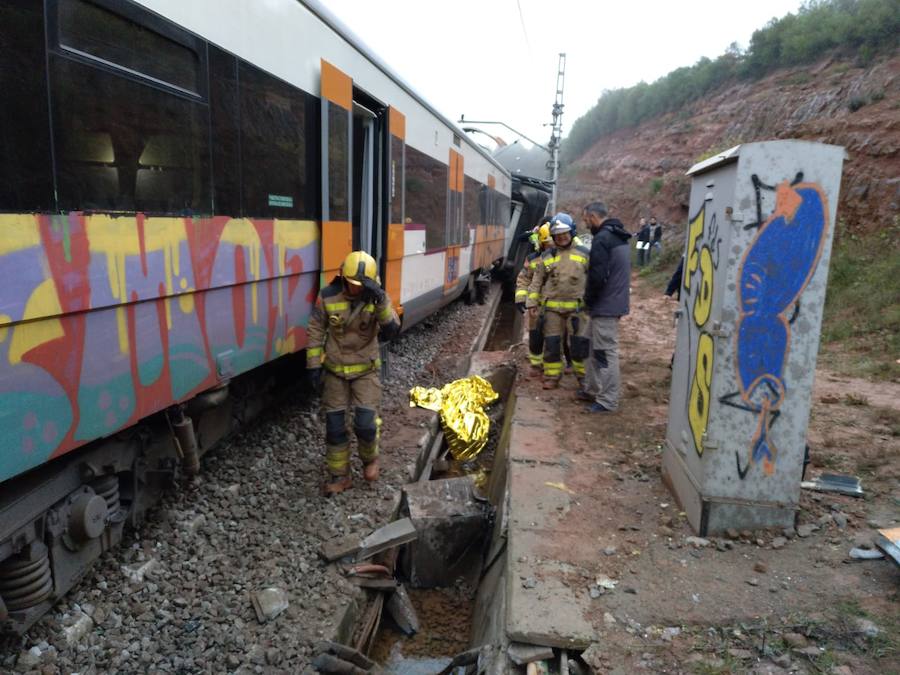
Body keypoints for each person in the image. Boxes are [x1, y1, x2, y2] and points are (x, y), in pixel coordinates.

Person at [306, 251, 400, 495]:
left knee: (366, 424)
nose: (355, 289)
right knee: (335, 427)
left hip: (365, 371)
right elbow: (315, 330)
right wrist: (314, 366)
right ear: (343, 277)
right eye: (351, 283)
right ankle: (340, 475)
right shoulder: (327, 296)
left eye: (360, 285)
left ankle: (370, 460)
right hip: (335, 372)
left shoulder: (377, 298)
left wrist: (379, 302)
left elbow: (392, 330)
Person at [526, 213, 590, 390]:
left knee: (578, 345)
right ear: (553, 237)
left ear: (572, 233)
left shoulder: (584, 254)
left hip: (577, 310)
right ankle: (552, 376)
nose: (562, 238)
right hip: (552, 309)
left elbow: (594, 280)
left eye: (565, 234)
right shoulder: (548, 256)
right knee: (552, 343)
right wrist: (532, 303)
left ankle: (583, 378)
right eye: (558, 236)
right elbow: (537, 281)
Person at [581, 201, 631, 412]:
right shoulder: (619, 235)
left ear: (593, 217)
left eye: (586, 220)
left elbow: (597, 277)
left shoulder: (602, 239)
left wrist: (588, 301)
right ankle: (592, 387)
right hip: (613, 301)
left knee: (605, 352)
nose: (586, 225)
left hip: (605, 305)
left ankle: (607, 400)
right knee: (588, 344)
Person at [515, 219, 552, 375]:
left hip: (555, 304)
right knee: (535, 334)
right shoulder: (533, 258)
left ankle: (553, 367)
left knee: (554, 337)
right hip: (536, 304)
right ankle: (536, 364)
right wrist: (521, 298)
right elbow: (524, 279)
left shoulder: (564, 257)